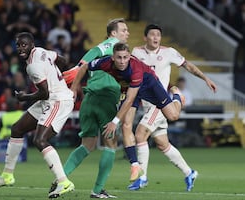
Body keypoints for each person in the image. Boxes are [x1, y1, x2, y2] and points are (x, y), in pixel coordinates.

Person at [70, 42, 187, 182]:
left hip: (149, 84)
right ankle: (135, 165)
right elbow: (84, 67)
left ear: (129, 56)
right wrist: (74, 87)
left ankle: (176, 96)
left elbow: (129, 100)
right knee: (126, 124)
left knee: (173, 115)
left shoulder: (135, 69)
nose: (122, 61)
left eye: (125, 57)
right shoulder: (105, 62)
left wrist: (114, 122)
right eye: (119, 57)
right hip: (130, 88)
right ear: (112, 57)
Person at [0, 32, 75, 199]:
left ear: (32, 44)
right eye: (18, 45)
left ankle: (64, 182)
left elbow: (45, 93)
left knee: (40, 140)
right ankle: (7, 176)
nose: (20, 48)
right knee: (17, 129)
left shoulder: (33, 66)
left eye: (24, 45)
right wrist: (59, 76)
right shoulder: (41, 51)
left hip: (58, 101)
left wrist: (25, 97)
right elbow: (61, 59)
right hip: (51, 98)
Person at [127, 24, 217, 191]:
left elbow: (188, 65)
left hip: (159, 102)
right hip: (146, 104)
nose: (155, 37)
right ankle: (189, 172)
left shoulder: (168, 52)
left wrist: (205, 78)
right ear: (145, 37)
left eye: (158, 35)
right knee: (162, 144)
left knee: (140, 134)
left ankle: (142, 177)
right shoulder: (136, 53)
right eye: (152, 34)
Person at [51, 18, 129, 198]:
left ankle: (61, 179)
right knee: (111, 144)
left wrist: (74, 87)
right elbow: (93, 52)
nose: (127, 33)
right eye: (124, 30)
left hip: (89, 100)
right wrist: (78, 65)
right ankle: (98, 190)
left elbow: (88, 65)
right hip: (106, 100)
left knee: (88, 144)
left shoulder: (113, 55)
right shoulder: (112, 44)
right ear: (113, 33)